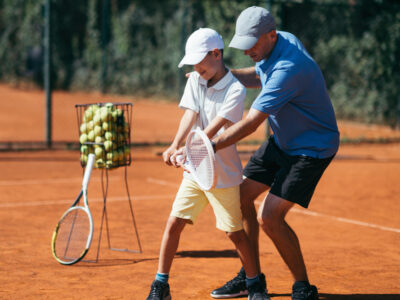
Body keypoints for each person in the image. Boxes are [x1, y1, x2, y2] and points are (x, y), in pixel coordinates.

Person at [209, 6, 340, 300]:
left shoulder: (289, 68)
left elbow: (252, 123)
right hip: (283, 141)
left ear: (271, 35)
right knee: (241, 196)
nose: (246, 51)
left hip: (311, 149)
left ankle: (303, 287)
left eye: (251, 44)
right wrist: (220, 76)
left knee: (269, 217)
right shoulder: (278, 42)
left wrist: (208, 145)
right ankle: (250, 276)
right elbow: (257, 76)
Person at [145, 28, 269, 300]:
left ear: (216, 54)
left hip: (222, 175)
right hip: (194, 173)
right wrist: (175, 145)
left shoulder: (235, 89)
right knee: (173, 223)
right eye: (192, 62)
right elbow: (190, 115)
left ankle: (255, 285)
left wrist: (190, 150)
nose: (196, 67)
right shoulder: (195, 80)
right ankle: (160, 285)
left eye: (200, 60)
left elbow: (215, 128)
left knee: (234, 234)